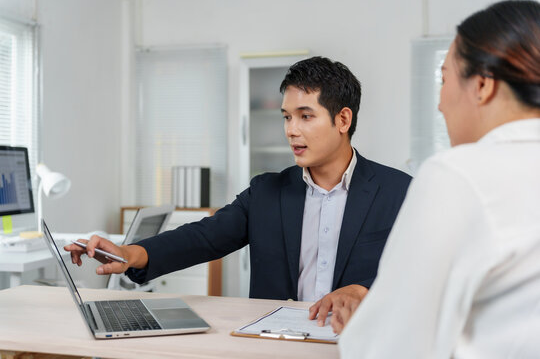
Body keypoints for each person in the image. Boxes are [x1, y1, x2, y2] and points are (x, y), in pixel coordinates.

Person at [65, 56, 411, 324]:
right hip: (272, 344)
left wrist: (364, 290)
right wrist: (129, 254)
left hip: (357, 343)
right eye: (286, 117)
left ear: (343, 120)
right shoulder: (266, 192)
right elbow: (203, 237)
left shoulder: (398, 192)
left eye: (305, 116)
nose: (291, 130)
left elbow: (421, 276)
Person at [337, 0, 540, 358]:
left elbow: (389, 346)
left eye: (444, 79)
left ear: (481, 85)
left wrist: (360, 328)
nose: (440, 104)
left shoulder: (458, 174)